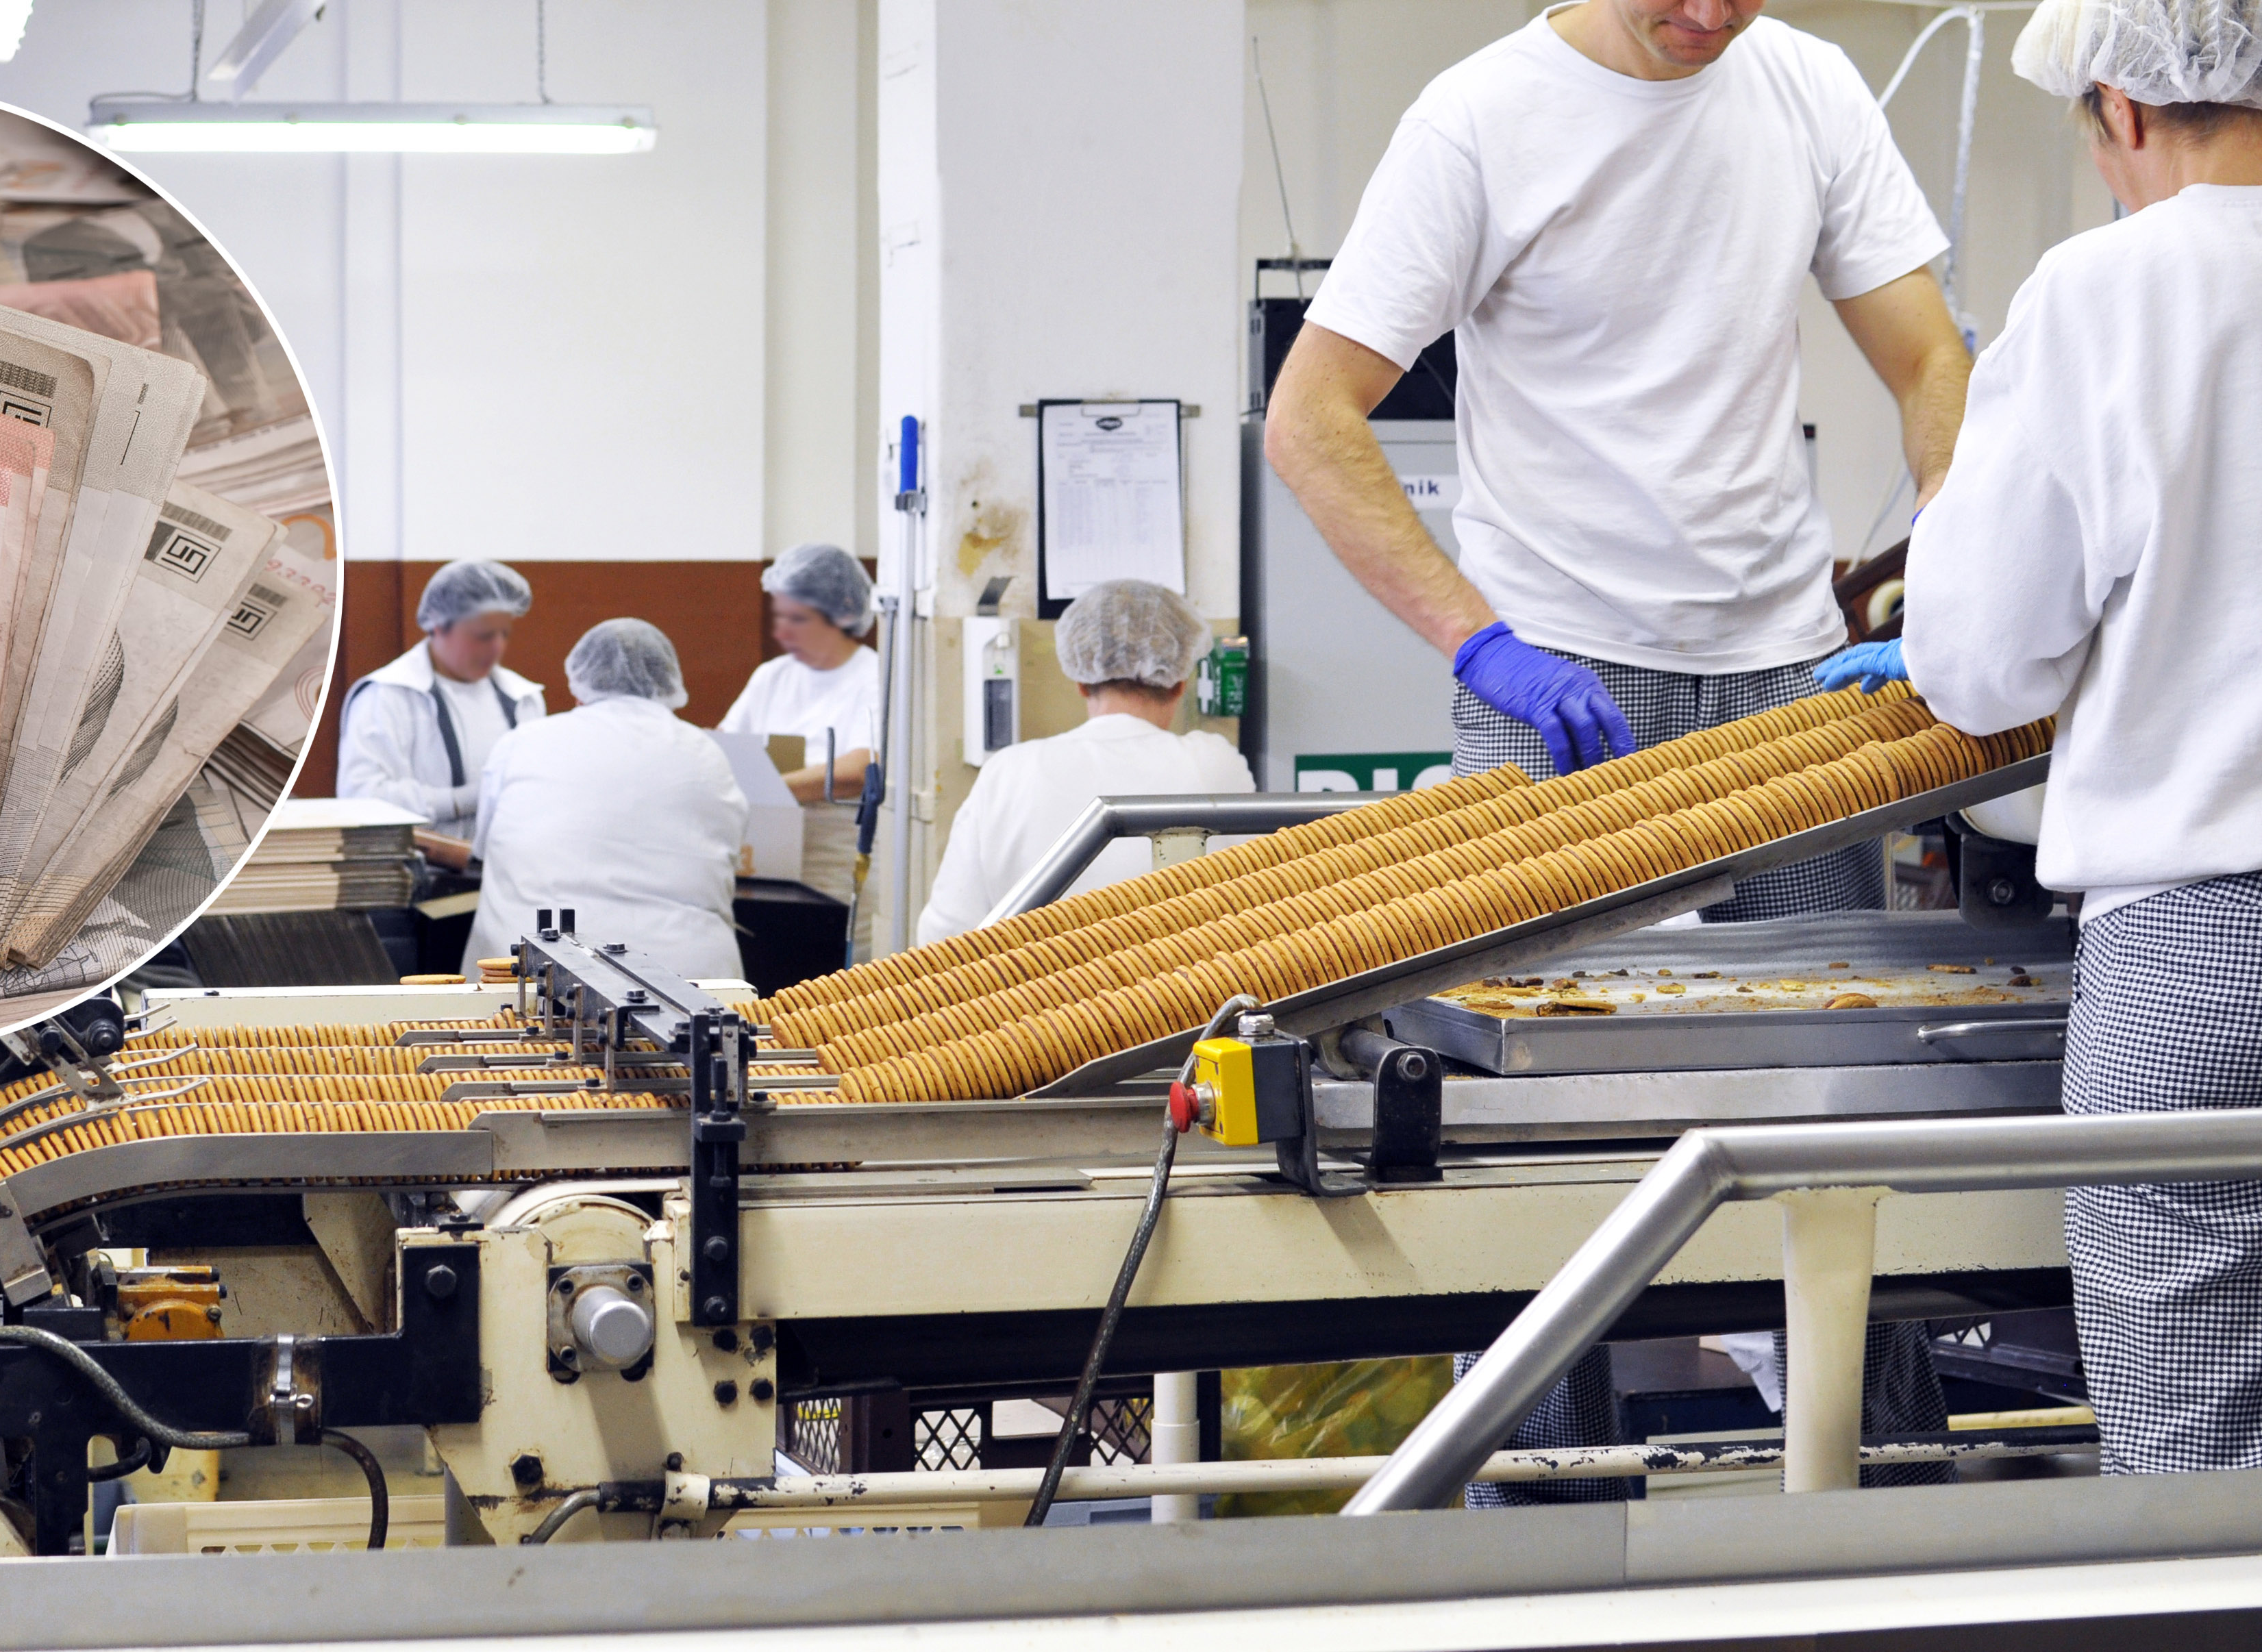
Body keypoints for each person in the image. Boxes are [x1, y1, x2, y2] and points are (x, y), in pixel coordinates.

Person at [1262, 0, 1976, 1502]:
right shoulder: (1476, 119)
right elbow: (1311, 419)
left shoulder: (1806, 87)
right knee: (1532, 1126)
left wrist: (1956, 584)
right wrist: (1479, 643)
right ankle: (1536, 1513)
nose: (1710, 17)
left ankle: (1885, 1493)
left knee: (1835, 1095)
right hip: (1554, 686)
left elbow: (1926, 359)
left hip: (1787, 677)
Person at [1815, 0, 2262, 1476]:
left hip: (2200, 956)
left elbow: (1981, 655)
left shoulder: (2107, 293)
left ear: (2118, 110)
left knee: (2187, 1465)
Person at [917, 580, 1252, 944]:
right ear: (1179, 683)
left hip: (1036, 997)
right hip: (1181, 996)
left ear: (1080, 680)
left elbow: (945, 933)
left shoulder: (1009, 771)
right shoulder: (1215, 764)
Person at [463, 620, 750, 981]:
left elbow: (485, 847)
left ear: (580, 686)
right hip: (688, 977)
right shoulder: (707, 752)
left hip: (540, 975)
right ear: (668, 682)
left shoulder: (525, 741)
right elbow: (733, 851)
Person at [719, 542, 884, 942]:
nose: (782, 631)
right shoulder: (772, 677)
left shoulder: (874, 676)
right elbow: (724, 747)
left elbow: (862, 768)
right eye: (780, 616)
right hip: (765, 863)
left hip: (836, 865)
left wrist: (769, 789)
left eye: (798, 618)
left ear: (840, 615)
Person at [337, 560, 547, 860]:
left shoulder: (524, 698)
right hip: (414, 881)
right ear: (438, 626)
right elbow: (362, 798)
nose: (496, 648)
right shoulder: (386, 697)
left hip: (506, 875)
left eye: (504, 634)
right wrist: (458, 802)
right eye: (483, 635)